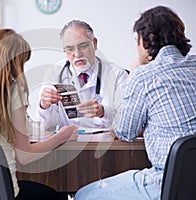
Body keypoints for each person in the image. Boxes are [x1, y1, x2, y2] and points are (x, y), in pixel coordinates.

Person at [75, 6, 196, 200]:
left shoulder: (144, 76)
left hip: (165, 182)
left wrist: (135, 73)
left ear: (143, 41)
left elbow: (124, 131)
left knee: (83, 195)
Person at [0, 29, 78, 200]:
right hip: (5, 193)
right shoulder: (13, 91)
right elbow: (25, 156)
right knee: (63, 196)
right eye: (21, 63)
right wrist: (63, 136)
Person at [37, 20, 128, 130]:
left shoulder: (117, 74)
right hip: (68, 144)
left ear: (94, 43)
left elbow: (127, 120)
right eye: (70, 49)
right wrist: (44, 106)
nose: (77, 54)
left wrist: (103, 112)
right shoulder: (54, 73)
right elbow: (47, 126)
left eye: (83, 46)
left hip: (107, 144)